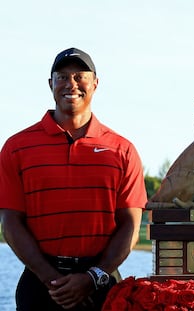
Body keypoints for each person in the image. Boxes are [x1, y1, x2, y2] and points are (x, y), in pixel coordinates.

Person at [0, 47, 148, 311]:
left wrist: (93, 277)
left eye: (80, 76)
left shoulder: (122, 150)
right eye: (62, 76)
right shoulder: (16, 147)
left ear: (95, 83)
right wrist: (51, 279)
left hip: (102, 283)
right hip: (40, 284)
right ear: (50, 84)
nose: (71, 84)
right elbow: (10, 222)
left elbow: (130, 225)